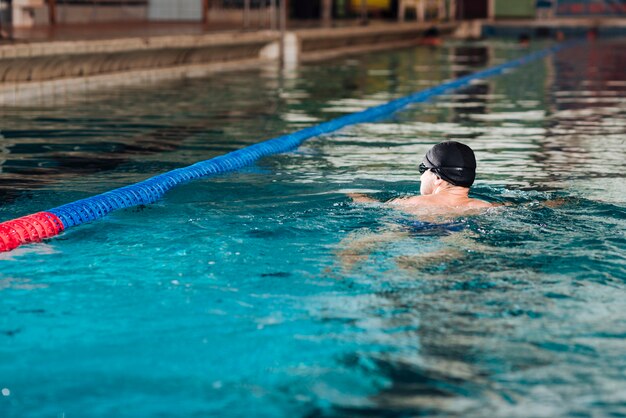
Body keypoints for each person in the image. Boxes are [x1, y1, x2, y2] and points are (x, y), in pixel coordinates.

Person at [349, 141, 492, 216]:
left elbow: (373, 206)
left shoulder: (411, 203)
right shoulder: (485, 207)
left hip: (421, 228)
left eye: (422, 169)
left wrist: (354, 194)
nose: (421, 177)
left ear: (437, 177)